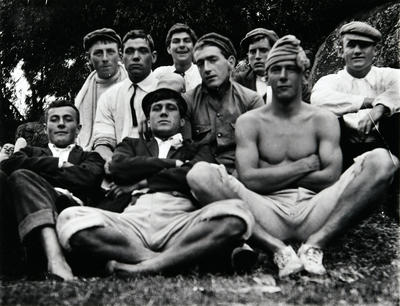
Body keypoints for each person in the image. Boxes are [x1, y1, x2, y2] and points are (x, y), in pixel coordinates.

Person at [187, 35, 399, 278]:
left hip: (316, 208)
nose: (283, 76)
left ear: (305, 76)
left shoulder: (323, 119)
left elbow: (329, 178)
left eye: (291, 69)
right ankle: (277, 248)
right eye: (276, 69)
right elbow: (250, 180)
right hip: (264, 210)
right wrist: (306, 165)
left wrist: (270, 173)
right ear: (267, 76)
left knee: (382, 160)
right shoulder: (250, 122)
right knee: (200, 174)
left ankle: (315, 245)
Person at [56, 88, 254, 276]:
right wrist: (173, 164)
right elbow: (118, 167)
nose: (163, 113)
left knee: (236, 215)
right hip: (132, 220)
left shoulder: (198, 148)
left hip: (181, 219)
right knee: (69, 218)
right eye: (157, 109)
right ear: (149, 121)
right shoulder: (132, 144)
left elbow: (193, 173)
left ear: (183, 121)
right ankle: (165, 261)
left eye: (171, 108)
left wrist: (142, 182)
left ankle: (147, 267)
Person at [0, 100, 105, 280]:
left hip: (67, 208)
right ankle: (15, 263)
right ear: (46, 127)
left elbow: (89, 179)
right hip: (21, 208)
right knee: (13, 177)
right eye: (54, 119)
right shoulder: (29, 151)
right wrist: (58, 164)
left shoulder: (90, 156)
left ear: (78, 128)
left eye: (67, 119)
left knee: (22, 176)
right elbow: (8, 165)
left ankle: (55, 259)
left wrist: (40, 174)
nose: (61, 123)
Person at [310, 21, 400, 169]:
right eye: (351, 45)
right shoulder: (331, 80)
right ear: (341, 51)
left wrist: (381, 107)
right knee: (327, 119)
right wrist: (371, 102)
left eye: (364, 45)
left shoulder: (388, 75)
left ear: (375, 51)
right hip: (344, 150)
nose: (357, 51)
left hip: (386, 145)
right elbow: (319, 99)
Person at [185, 32, 264, 175]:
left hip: (241, 177)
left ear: (231, 62)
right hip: (199, 176)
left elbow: (260, 152)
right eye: (200, 64)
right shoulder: (188, 101)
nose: (207, 69)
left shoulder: (251, 100)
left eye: (213, 60)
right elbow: (185, 150)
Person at [92, 29, 158, 171]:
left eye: (142, 51)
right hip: (119, 167)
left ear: (153, 57)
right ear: (121, 57)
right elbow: (103, 142)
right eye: (129, 51)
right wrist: (112, 162)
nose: (135, 57)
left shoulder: (164, 91)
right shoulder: (109, 97)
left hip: (157, 167)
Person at [75, 28, 128, 151]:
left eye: (110, 52)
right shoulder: (83, 95)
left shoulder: (132, 82)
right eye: (98, 53)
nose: (105, 58)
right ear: (89, 58)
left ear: (120, 55)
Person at [234, 28, 279, 102]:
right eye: (252, 52)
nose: (257, 56)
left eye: (263, 50)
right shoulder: (240, 82)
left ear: (275, 53)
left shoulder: (287, 79)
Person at [153, 23, 201, 92]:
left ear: (193, 47)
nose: (182, 45)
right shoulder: (159, 74)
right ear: (169, 49)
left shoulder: (201, 73)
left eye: (187, 41)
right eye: (176, 41)